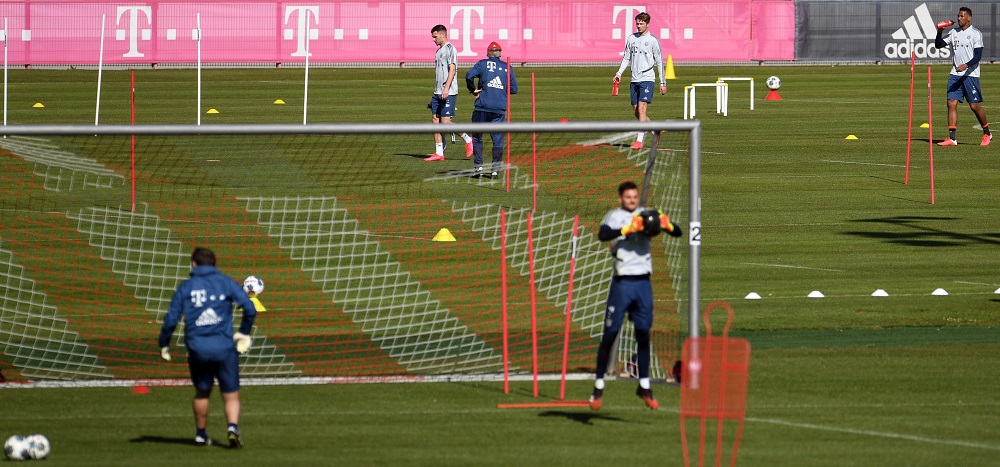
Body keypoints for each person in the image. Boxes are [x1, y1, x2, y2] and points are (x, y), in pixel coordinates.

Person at [589, 181, 681, 411]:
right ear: (621, 198)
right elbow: (603, 234)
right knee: (610, 333)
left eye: (634, 196)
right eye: (628, 197)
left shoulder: (646, 215)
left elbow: (677, 232)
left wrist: (667, 224)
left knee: (643, 334)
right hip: (622, 283)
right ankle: (598, 387)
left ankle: (644, 386)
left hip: (642, 284)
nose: (632, 200)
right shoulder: (615, 216)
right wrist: (626, 230)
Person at [159, 247, 257, 448]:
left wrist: (164, 343)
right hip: (224, 348)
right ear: (215, 263)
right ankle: (232, 428)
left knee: (203, 392)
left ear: (194, 264)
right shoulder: (226, 282)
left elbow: (171, 320)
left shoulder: (186, 287)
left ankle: (201, 435)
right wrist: (243, 333)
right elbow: (249, 308)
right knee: (231, 394)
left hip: (198, 349)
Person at [934, 7, 991, 146]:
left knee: (974, 106)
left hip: (970, 75)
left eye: (962, 16)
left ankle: (987, 134)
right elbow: (938, 45)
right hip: (955, 74)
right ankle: (952, 138)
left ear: (969, 18)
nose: (959, 18)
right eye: (958, 16)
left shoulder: (975, 34)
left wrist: (966, 65)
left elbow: (978, 55)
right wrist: (939, 31)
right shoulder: (954, 32)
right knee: (951, 103)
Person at [614, 12, 667, 150]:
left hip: (647, 79)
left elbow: (660, 62)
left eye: (641, 23)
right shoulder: (631, 38)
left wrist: (662, 83)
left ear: (647, 24)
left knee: (642, 109)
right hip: (634, 79)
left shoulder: (653, 41)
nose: (638, 26)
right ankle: (656, 130)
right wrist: (619, 73)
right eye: (637, 23)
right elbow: (626, 58)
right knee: (636, 112)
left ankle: (639, 141)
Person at [465, 41, 518, 179]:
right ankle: (495, 170)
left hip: (482, 106)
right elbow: (514, 89)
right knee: (497, 139)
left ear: (488, 53)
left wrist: (473, 90)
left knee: (477, 137)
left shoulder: (482, 64)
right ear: (500, 54)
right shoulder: (507, 67)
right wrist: (499, 89)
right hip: (499, 108)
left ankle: (478, 168)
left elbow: (469, 76)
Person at [425, 24, 474, 161]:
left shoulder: (451, 49)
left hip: (449, 92)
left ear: (443, 35)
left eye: (435, 37)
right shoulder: (438, 51)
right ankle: (439, 152)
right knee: (435, 120)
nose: (433, 39)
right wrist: (436, 93)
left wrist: (446, 88)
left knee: (445, 122)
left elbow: (452, 70)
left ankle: (468, 139)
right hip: (437, 92)